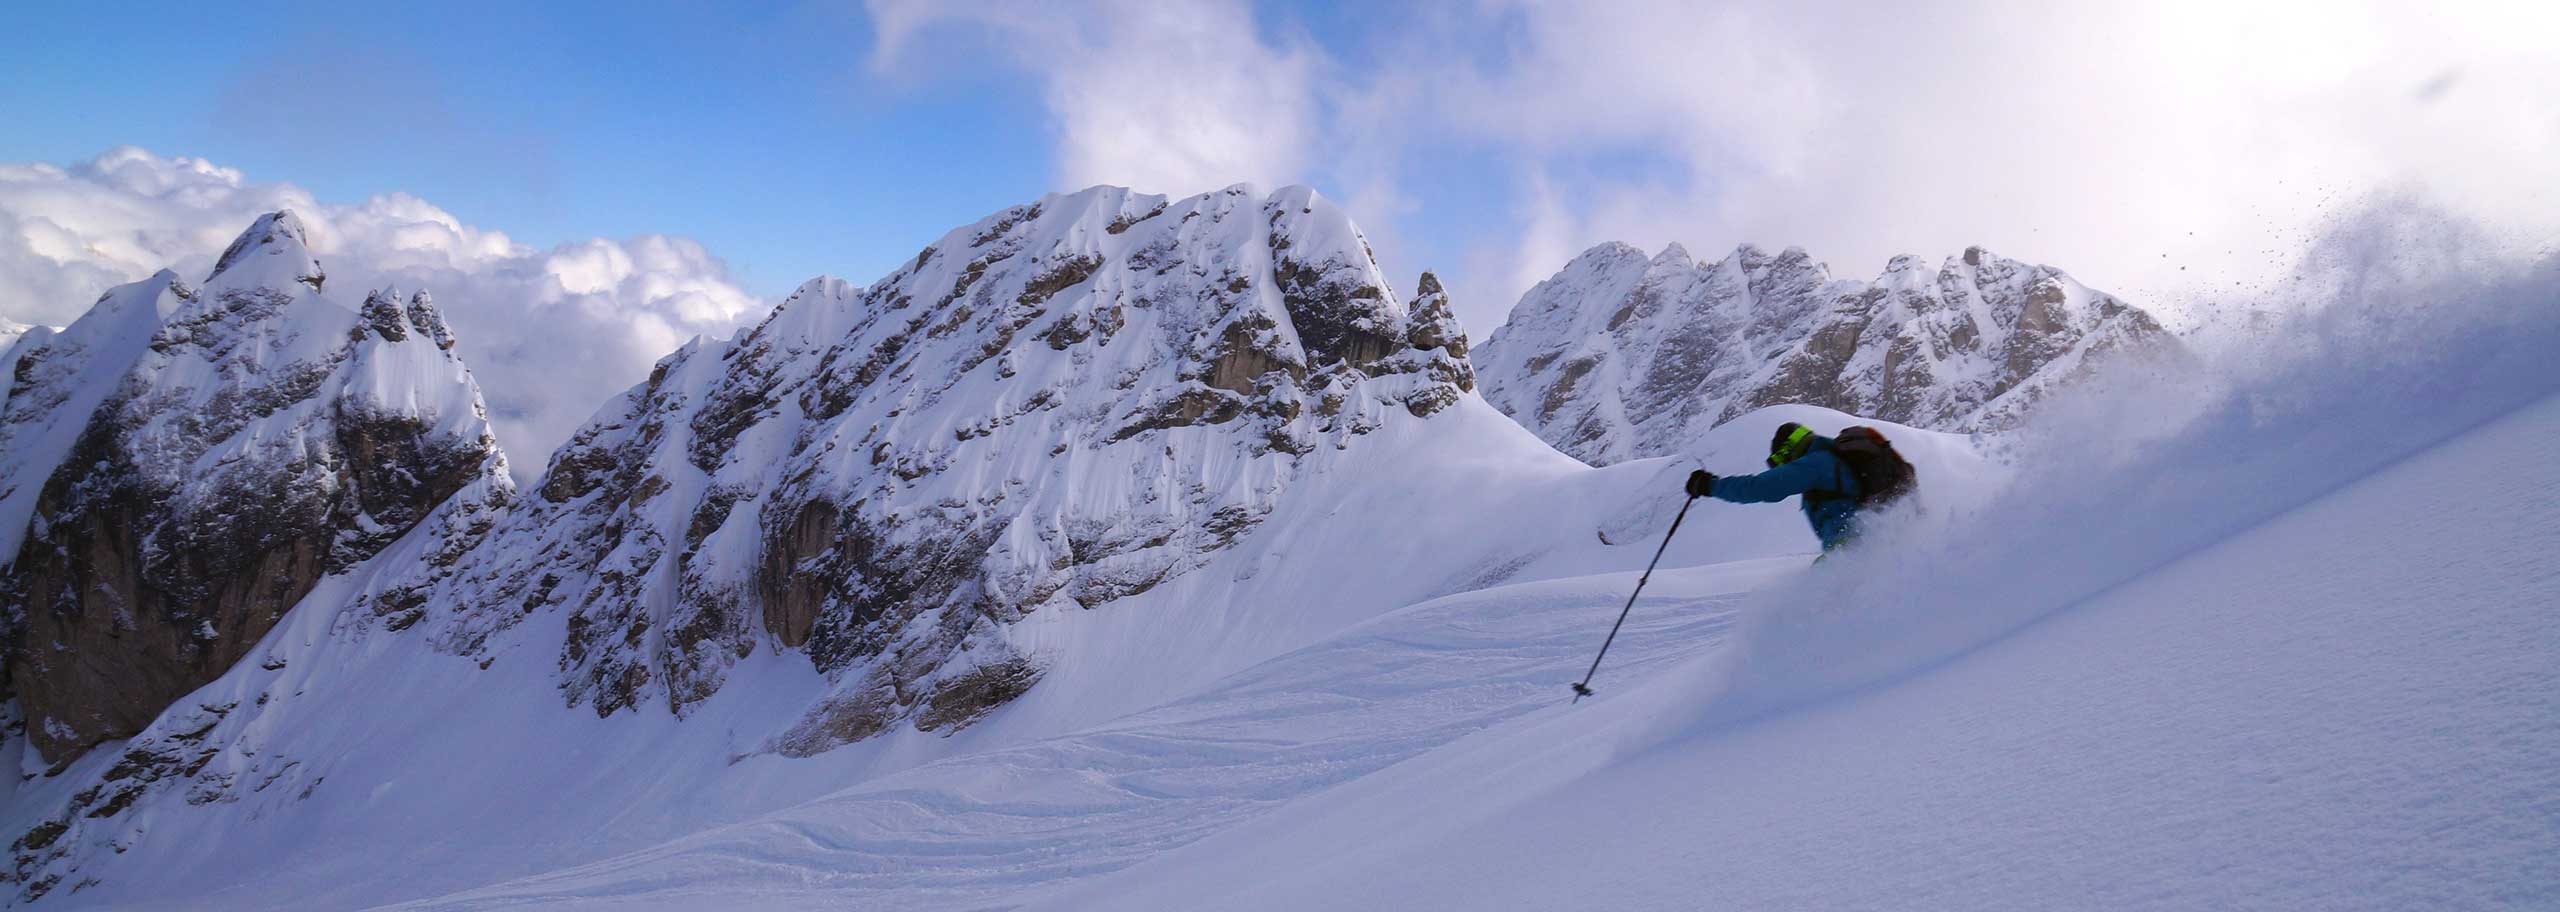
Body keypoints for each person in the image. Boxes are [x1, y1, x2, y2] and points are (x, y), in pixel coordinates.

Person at [1685, 421, 1890, 552]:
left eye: (1782, 462)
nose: (1785, 467)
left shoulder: (1816, 464)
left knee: (1811, 609)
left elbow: (1760, 488)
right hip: (1869, 542)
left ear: (1788, 451)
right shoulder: (1832, 458)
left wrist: (1710, 486)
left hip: (1851, 546)